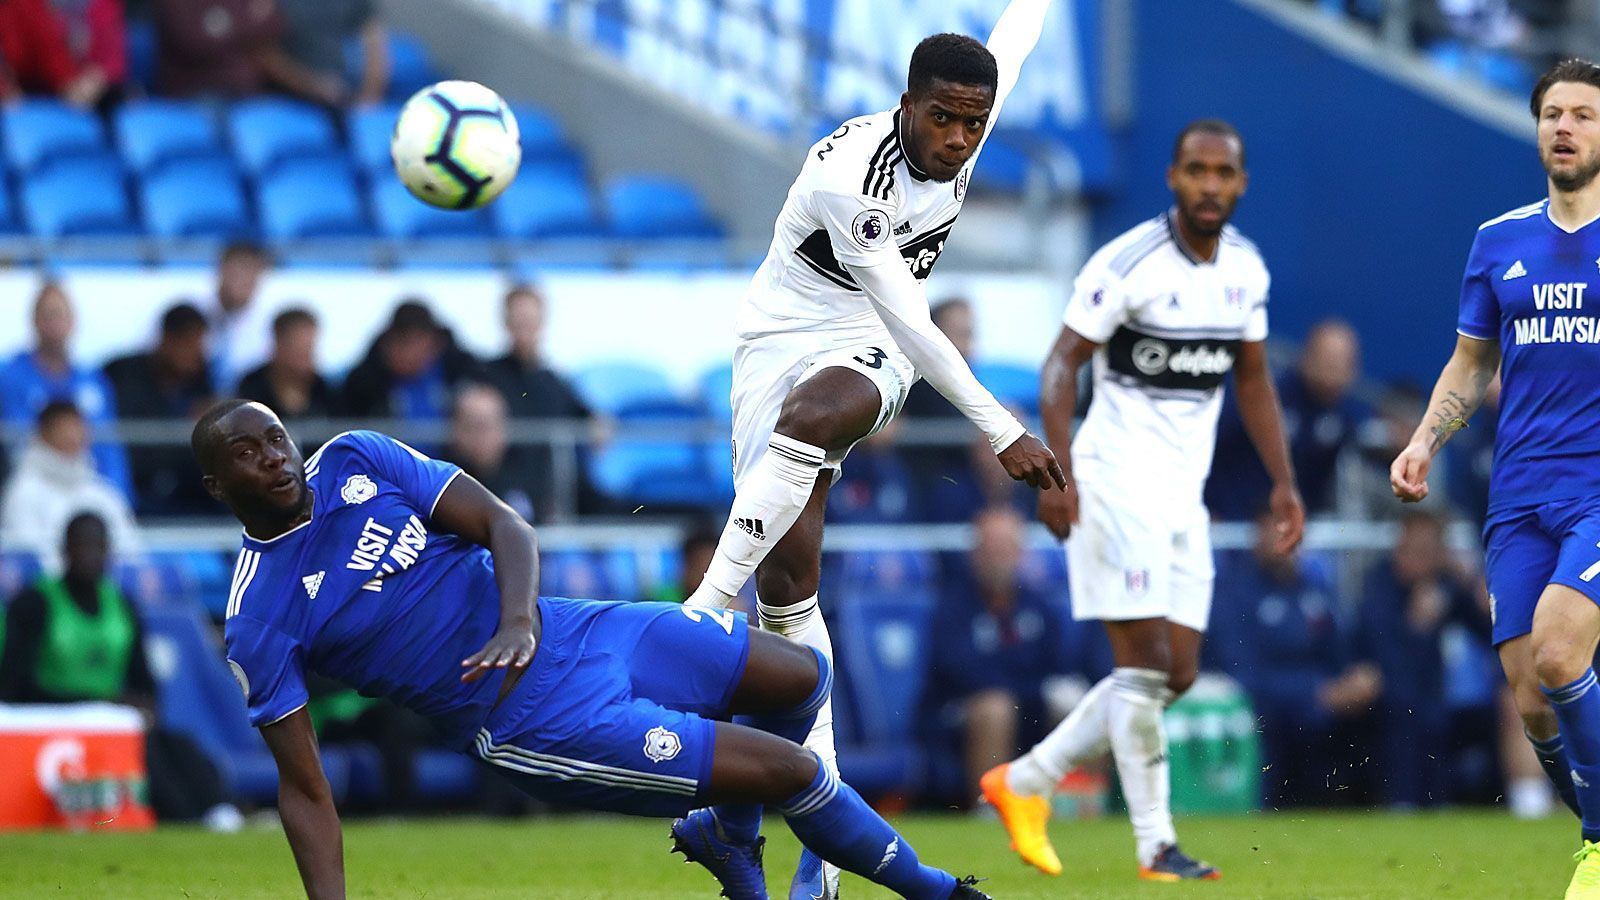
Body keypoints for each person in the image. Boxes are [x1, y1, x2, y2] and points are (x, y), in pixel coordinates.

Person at [192, 399, 993, 900]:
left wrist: (516, 620)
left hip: (573, 630)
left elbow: (506, 524)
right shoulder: (258, 617)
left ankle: (728, 839)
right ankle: (943, 894)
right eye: (248, 453)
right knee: (796, 772)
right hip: (532, 716)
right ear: (217, 487)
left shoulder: (356, 458)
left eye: (275, 436)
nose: (275, 454)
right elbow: (303, 787)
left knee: (798, 675)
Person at [680, 7, 1066, 894]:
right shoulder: (850, 178)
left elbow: (1018, 37)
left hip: (871, 348)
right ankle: (797, 836)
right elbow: (917, 321)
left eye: (975, 121)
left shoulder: (969, 120)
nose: (960, 138)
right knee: (791, 604)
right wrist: (1002, 429)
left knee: (817, 418)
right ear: (907, 105)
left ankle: (703, 603)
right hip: (780, 342)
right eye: (944, 118)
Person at [980, 119, 1305, 883]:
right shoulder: (1127, 262)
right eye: (1196, 170)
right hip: (1113, 479)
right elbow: (1061, 364)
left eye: (1223, 173)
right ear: (1173, 177)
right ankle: (1157, 845)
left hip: (1182, 498)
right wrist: (1057, 477)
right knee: (1146, 662)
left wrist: (1283, 482)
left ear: (1241, 184)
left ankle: (1024, 780)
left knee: (1178, 674)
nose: (1210, 185)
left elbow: (1253, 381)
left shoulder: (1247, 271)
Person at [1389, 60, 1600, 895]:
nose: (1565, 127)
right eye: (1553, 112)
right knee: (1532, 698)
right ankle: (1596, 829)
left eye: (1584, 114)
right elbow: (1471, 364)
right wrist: (1425, 441)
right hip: (1518, 496)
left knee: (1557, 649)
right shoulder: (1498, 239)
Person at [0, 512, 240, 829]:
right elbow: (14, 687)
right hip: (50, 719)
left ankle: (219, 807)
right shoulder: (35, 603)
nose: (90, 555)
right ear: (64, 551)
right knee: (146, 754)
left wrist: (143, 706)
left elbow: (144, 681)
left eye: (97, 546)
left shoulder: (122, 605)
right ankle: (190, 818)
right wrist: (95, 702)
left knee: (177, 744)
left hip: (108, 718)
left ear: (109, 552)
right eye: (81, 545)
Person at [925, 506, 1102, 806]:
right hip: (961, 712)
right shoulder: (954, 605)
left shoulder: (1035, 603)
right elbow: (960, 671)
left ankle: (1083, 806)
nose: (998, 559)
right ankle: (990, 810)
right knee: (996, 708)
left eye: (1006, 549)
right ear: (975, 554)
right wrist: (1020, 680)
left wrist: (1024, 684)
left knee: (1080, 703)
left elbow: (1057, 661)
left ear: (1021, 553)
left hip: (1027, 702)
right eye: (991, 549)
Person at [1209, 508, 1379, 808]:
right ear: (1256, 538)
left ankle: (1390, 807)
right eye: (1274, 530)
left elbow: (1340, 652)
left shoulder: (1315, 589)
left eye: (1290, 530)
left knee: (1383, 707)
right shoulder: (1236, 594)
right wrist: (1316, 692)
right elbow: (1242, 675)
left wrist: (1357, 677)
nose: (1283, 540)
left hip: (1325, 704)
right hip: (1267, 708)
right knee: (1274, 722)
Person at [1354, 510, 1492, 809]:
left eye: (1432, 550)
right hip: (1385, 686)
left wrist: (1473, 589)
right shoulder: (1380, 584)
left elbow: (1485, 630)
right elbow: (1383, 654)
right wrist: (1416, 627)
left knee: (1445, 709)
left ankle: (1446, 801)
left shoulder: (1445, 584)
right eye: (1416, 550)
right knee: (1408, 705)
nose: (1423, 558)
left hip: (1434, 691)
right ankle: (1402, 802)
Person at [1207, 318, 1374, 519]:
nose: (1335, 369)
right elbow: (1214, 440)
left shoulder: (1346, 417)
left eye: (1343, 362)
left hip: (1296, 530)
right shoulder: (1267, 397)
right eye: (1328, 359)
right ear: (1307, 356)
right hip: (1233, 525)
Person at [0, 281, 131, 499]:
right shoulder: (9, 378)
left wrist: (118, 496)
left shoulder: (95, 381)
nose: (54, 324)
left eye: (60, 315)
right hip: (32, 487)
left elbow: (110, 448)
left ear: (73, 321)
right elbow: (16, 442)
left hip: (90, 489)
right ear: (34, 321)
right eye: (48, 315)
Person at [0, 401, 141, 573]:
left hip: (104, 591)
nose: (72, 436)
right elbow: (27, 559)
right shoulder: (23, 492)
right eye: (64, 429)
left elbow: (132, 553)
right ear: (43, 434)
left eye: (77, 428)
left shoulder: (103, 492)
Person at [104, 302, 216, 515]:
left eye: (200, 346)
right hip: (135, 491)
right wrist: (184, 429)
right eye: (189, 344)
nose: (196, 355)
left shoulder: (201, 380)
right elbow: (129, 445)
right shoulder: (123, 374)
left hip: (185, 494)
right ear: (167, 340)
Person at [340, 300, 481, 422]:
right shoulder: (363, 384)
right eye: (404, 343)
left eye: (418, 342)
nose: (411, 353)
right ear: (389, 344)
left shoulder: (461, 373)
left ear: (435, 343)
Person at [0, 0, 125, 109]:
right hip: (23, 99)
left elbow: (46, 49)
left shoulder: (26, 6)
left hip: (60, 95)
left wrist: (73, 83)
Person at [442, 383, 538, 522]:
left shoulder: (529, 479)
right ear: (457, 430)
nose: (482, 437)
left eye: (489, 426)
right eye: (473, 426)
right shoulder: (442, 486)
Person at [151, 0, 284, 98]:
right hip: (196, 90)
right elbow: (195, 42)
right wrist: (247, 24)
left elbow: (272, 25)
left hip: (251, 88)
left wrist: (225, 25)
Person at [272, 0, 388, 107]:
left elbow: (375, 46)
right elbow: (263, 53)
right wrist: (314, 86)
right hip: (277, 97)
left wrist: (368, 99)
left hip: (336, 94)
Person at [238, 308, 336, 420]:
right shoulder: (252, 387)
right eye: (298, 348)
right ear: (279, 344)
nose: (306, 356)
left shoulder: (323, 389)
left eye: (309, 347)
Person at [207, 241, 273, 393]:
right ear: (221, 270)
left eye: (252, 273)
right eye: (238, 272)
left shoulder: (266, 326)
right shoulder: (192, 315)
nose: (243, 280)